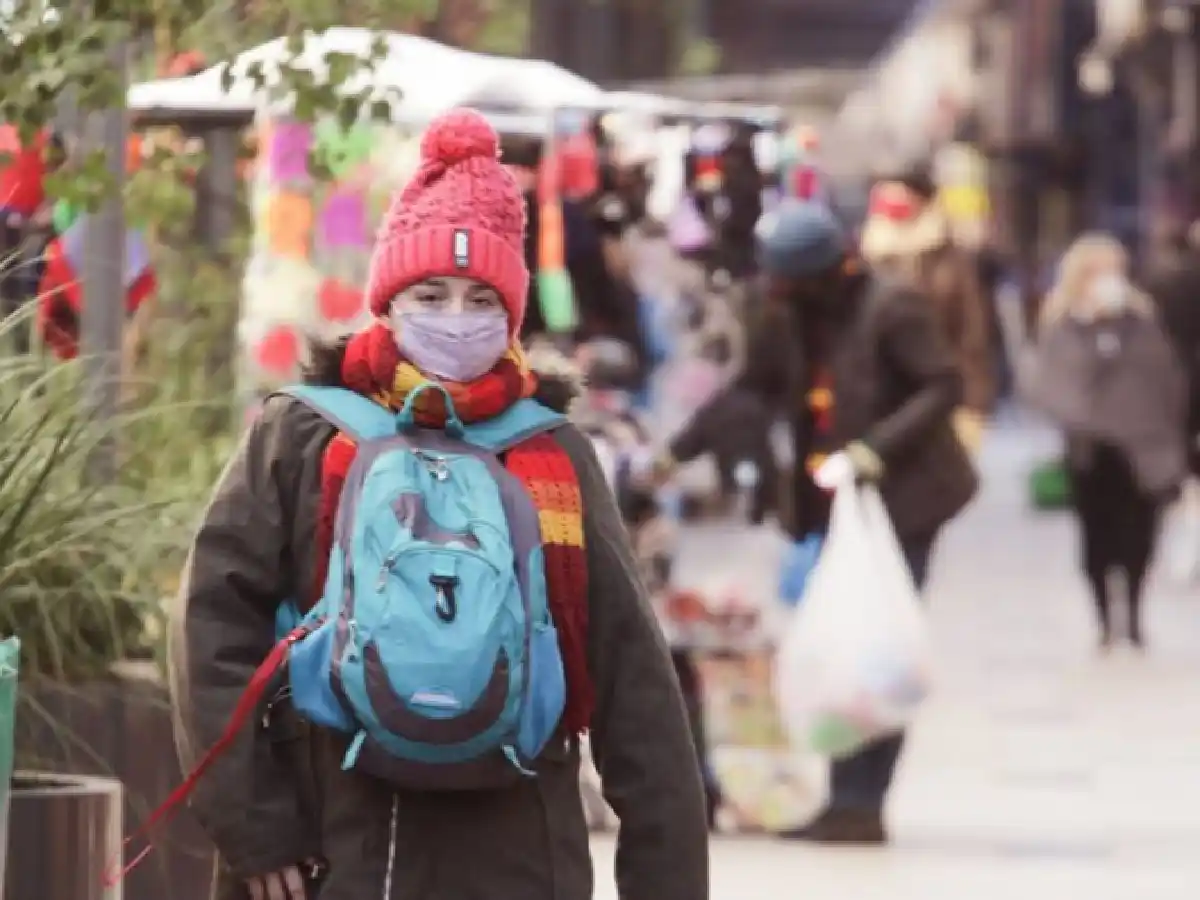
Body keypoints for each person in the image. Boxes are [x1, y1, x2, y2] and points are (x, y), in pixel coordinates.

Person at [170, 109, 708, 900]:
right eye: (432, 292)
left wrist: (257, 836)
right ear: (388, 300)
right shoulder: (308, 436)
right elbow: (213, 632)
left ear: (512, 315)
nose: (456, 318)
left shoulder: (547, 452)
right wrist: (256, 829)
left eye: (479, 298)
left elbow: (632, 685)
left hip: (377, 850)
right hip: (365, 850)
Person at [656, 200, 977, 843]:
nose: (780, 293)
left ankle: (862, 799)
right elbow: (751, 390)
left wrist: (873, 452)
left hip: (904, 502)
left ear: (829, 271)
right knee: (836, 644)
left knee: (874, 645)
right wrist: (676, 451)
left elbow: (941, 385)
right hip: (832, 501)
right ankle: (843, 793)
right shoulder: (789, 315)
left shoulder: (893, 307)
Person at [1027, 234, 1187, 650]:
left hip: (1144, 448)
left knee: (1140, 537)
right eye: (1097, 272)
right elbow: (1058, 386)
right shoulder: (1063, 325)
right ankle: (1103, 619)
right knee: (1097, 539)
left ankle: (1133, 615)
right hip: (1092, 451)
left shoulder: (1144, 321)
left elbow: (1166, 380)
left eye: (1114, 271)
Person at [860, 168, 994, 454]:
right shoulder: (866, 256)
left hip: (943, 389)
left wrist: (974, 400)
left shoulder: (947, 256)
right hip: (883, 401)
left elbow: (972, 332)